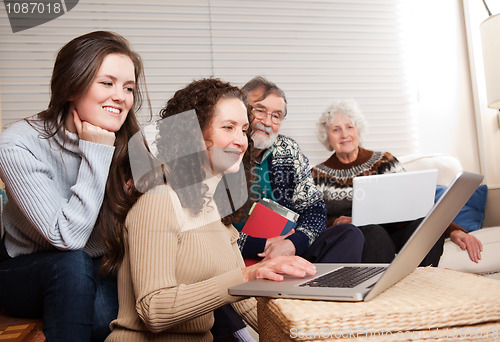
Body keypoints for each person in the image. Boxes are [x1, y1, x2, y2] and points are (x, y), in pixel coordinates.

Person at [104, 78, 316, 342]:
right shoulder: (158, 200)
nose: (240, 140)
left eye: (243, 130)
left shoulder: (217, 211)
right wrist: (248, 274)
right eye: (228, 127)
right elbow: (153, 310)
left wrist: (314, 329)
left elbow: (247, 304)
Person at [0, 31, 148, 342]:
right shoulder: (18, 144)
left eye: (129, 88)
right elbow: (66, 239)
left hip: (99, 266)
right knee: (72, 264)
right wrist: (96, 152)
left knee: (112, 320)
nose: (121, 97)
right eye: (107, 83)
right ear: (71, 86)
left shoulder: (133, 143)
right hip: (24, 269)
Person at [212, 76, 365, 341]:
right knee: (206, 267)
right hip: (236, 256)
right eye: (260, 110)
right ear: (242, 111)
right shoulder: (227, 148)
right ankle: (244, 332)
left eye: (277, 115)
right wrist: (262, 245)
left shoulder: (288, 149)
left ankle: (311, 311)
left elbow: (315, 209)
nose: (268, 121)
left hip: (289, 252)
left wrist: (293, 243)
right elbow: (211, 231)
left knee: (350, 234)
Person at [311, 98, 483, 265]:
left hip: (397, 231)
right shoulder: (318, 174)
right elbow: (312, 218)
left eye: (349, 126)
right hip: (363, 237)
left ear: (358, 130)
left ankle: (421, 285)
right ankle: (380, 292)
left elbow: (415, 203)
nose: (345, 135)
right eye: (336, 130)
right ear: (327, 137)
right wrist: (335, 222)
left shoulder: (384, 161)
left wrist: (454, 230)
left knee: (424, 226)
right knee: (373, 232)